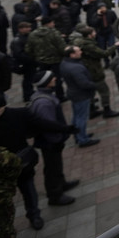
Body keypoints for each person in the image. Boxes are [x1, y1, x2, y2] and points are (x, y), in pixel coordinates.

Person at [0, 94, 74, 230]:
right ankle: (5, 224)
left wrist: (64, 128)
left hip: (21, 164)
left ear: (4, 105)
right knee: (3, 198)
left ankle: (34, 215)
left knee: (29, 191)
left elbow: (41, 123)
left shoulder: (19, 114)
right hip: (0, 169)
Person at [29, 70, 79, 205]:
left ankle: (61, 184)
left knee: (56, 166)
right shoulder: (43, 102)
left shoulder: (44, 96)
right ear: (46, 82)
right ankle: (55, 195)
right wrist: (59, 135)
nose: (55, 79)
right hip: (50, 141)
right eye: (52, 78)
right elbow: (48, 125)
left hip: (53, 140)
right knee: (52, 168)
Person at [73, 26, 119, 119]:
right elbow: (104, 53)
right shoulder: (89, 45)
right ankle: (107, 110)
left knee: (90, 91)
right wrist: (115, 46)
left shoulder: (79, 42)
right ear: (89, 35)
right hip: (93, 71)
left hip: (86, 70)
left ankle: (91, 110)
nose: (95, 33)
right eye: (93, 32)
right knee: (104, 91)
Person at [59, 45, 100, 148]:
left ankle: (79, 135)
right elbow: (84, 83)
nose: (81, 52)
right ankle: (83, 139)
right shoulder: (75, 68)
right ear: (72, 55)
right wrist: (95, 85)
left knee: (76, 116)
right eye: (78, 51)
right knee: (81, 118)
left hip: (74, 93)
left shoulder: (65, 63)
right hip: (81, 95)